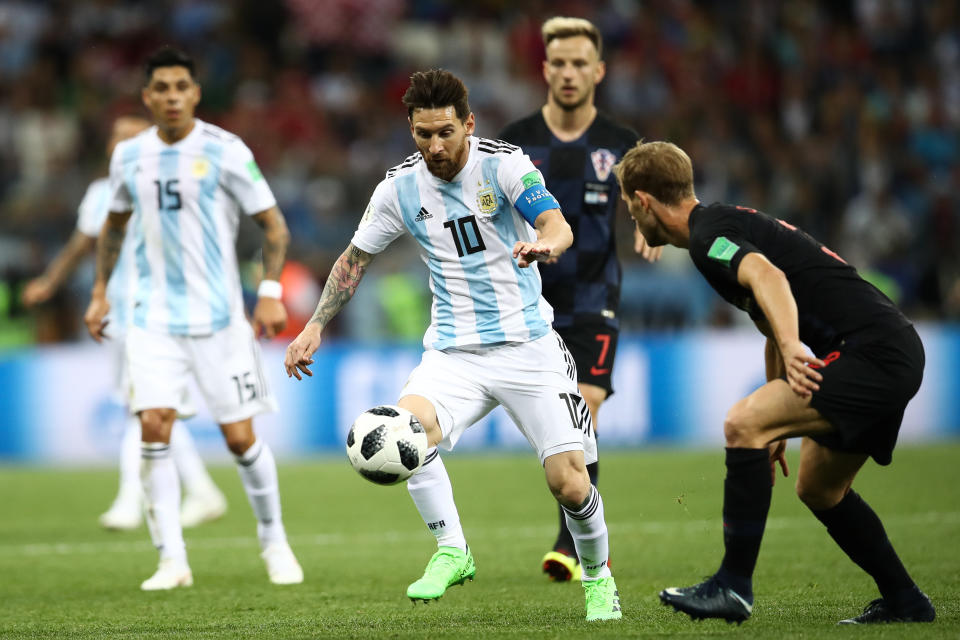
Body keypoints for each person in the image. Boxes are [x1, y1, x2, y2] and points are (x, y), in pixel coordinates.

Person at [285, 69, 621, 622]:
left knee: (568, 481)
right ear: (410, 130)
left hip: (528, 346)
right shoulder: (398, 187)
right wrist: (316, 324)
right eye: (423, 135)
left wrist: (544, 245)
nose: (436, 146)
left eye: (446, 132)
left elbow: (558, 224)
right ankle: (452, 550)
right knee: (404, 431)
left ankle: (598, 578)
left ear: (468, 123)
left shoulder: (504, 164)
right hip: (453, 352)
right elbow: (354, 259)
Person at [615, 140, 935, 625]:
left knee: (741, 422)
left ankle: (733, 586)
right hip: (888, 348)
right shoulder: (722, 223)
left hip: (873, 353)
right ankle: (906, 600)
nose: (633, 223)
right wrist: (779, 422)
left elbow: (769, 279)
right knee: (818, 488)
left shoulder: (708, 237)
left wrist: (792, 349)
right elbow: (768, 317)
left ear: (643, 201)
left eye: (629, 209)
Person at [84, 47, 302, 590]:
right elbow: (111, 226)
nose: (173, 96)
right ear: (147, 95)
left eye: (182, 85)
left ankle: (274, 541)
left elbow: (274, 226)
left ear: (196, 93)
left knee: (239, 439)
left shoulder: (226, 151)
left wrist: (270, 291)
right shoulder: (129, 156)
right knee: (153, 427)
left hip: (220, 319)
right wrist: (98, 293)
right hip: (152, 319)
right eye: (162, 87)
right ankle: (171, 561)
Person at [498, 15, 661, 582]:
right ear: (545, 69)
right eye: (558, 63)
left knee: (583, 408)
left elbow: (661, 198)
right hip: (530, 305)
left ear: (599, 70)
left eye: (578, 64)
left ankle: (571, 541)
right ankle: (583, 529)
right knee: (557, 426)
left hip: (595, 297)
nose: (568, 73)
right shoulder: (515, 142)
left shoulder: (621, 144)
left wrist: (650, 224)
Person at [22, 115, 227, 532]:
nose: (118, 144)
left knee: (145, 404)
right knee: (148, 407)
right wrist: (49, 281)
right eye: (114, 137)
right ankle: (203, 491)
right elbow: (82, 245)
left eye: (129, 138)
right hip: (114, 313)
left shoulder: (167, 190)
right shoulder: (100, 192)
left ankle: (130, 500)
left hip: (154, 311)